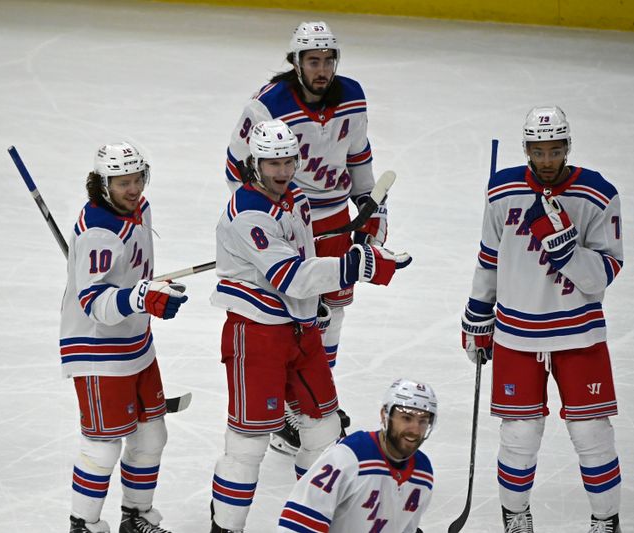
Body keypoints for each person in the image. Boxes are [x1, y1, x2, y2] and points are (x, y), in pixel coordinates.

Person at [209, 119, 410, 533]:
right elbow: (290, 276)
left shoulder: (294, 195)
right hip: (258, 332)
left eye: (287, 161)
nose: (282, 171)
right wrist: (360, 264)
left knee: (323, 430)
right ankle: (225, 528)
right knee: (247, 445)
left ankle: (312, 520)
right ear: (254, 163)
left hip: (301, 329)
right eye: (272, 163)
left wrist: (317, 299)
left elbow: (306, 251)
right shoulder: (247, 213)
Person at [224, 20, 386, 453]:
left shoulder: (352, 95)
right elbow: (235, 171)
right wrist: (266, 224)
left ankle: (315, 399)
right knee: (294, 314)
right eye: (313, 60)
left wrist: (371, 206)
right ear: (295, 62)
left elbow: (359, 156)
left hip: (335, 220)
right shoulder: (266, 106)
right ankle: (289, 410)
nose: (323, 69)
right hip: (290, 220)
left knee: (332, 316)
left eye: (329, 59)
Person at [460, 107, 624, 533]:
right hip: (516, 332)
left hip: (579, 331)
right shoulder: (502, 190)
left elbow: (608, 270)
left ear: (567, 147)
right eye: (538, 150)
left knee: (592, 433)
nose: (547, 159)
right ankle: (515, 518)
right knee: (519, 434)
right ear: (526, 149)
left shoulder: (598, 193)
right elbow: (488, 258)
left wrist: (568, 252)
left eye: (555, 150)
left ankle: (606, 521)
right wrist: (478, 316)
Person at [62, 143, 188, 533]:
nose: (133, 189)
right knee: (103, 446)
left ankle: (136, 518)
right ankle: (83, 524)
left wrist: (152, 291)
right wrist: (140, 297)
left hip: (136, 343)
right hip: (98, 350)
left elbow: (133, 278)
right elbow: (95, 304)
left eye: (136, 179)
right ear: (103, 184)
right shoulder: (98, 233)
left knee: (152, 434)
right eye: (122, 183)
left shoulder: (140, 210)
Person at [278, 378, 436, 533]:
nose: (415, 430)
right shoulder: (348, 457)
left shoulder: (423, 473)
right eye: (406, 418)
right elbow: (298, 524)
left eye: (423, 421)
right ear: (385, 415)